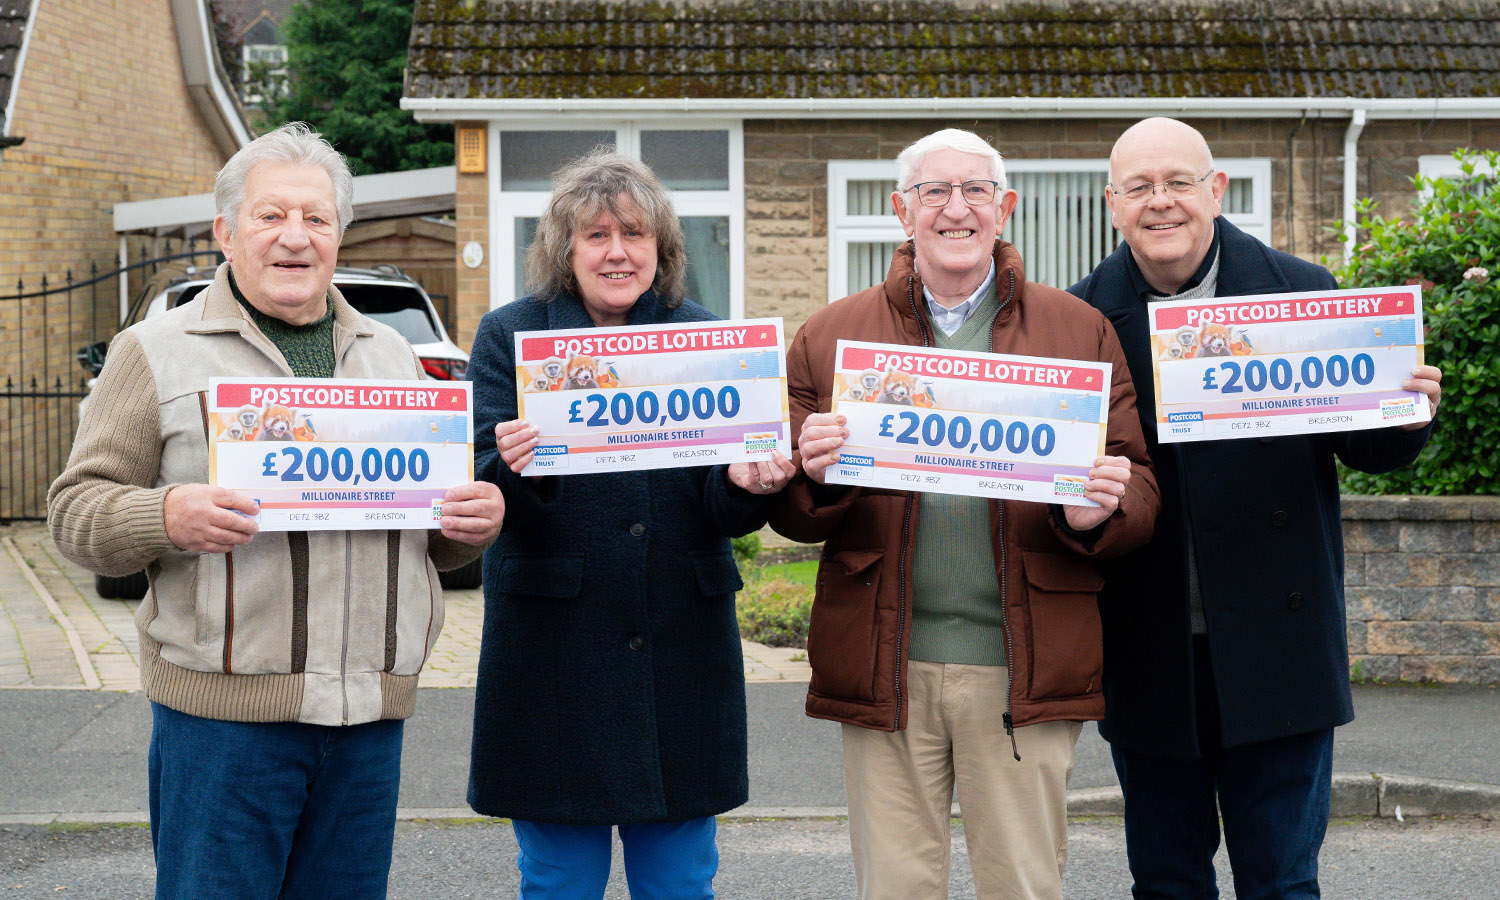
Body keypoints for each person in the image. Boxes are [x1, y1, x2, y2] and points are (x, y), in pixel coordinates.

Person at [47, 123, 504, 900]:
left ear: (339, 234)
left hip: (368, 721)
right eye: (270, 216)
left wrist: (471, 522)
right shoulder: (156, 351)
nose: (295, 237)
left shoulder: (395, 360)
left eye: (316, 218)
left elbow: (433, 537)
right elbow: (74, 511)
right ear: (226, 231)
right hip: (223, 731)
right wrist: (166, 516)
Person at [768, 128, 1160, 900]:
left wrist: (1097, 517)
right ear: (900, 212)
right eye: (934, 192)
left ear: (1004, 208)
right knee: (896, 888)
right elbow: (789, 510)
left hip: (1025, 663)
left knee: (1021, 884)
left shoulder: (1078, 333)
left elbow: (1140, 488)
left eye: (975, 191)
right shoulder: (830, 336)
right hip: (887, 662)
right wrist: (809, 472)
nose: (956, 209)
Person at [1068, 117, 1443, 900]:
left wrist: (1406, 418)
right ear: (1112, 204)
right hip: (1150, 650)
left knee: (1282, 882)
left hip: (1281, 649)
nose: (1160, 202)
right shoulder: (1080, 323)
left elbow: (1367, 450)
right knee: (1167, 883)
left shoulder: (1304, 293)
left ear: (1216, 191)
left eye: (1177, 182)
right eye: (1139, 187)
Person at [465, 148, 796, 899]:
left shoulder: (706, 337)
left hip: (679, 642)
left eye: (635, 235)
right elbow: (483, 488)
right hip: (554, 652)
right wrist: (516, 464)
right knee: (557, 881)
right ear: (564, 249)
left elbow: (725, 499)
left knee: (680, 881)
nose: (618, 252)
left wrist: (748, 485)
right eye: (597, 236)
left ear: (662, 249)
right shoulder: (509, 337)